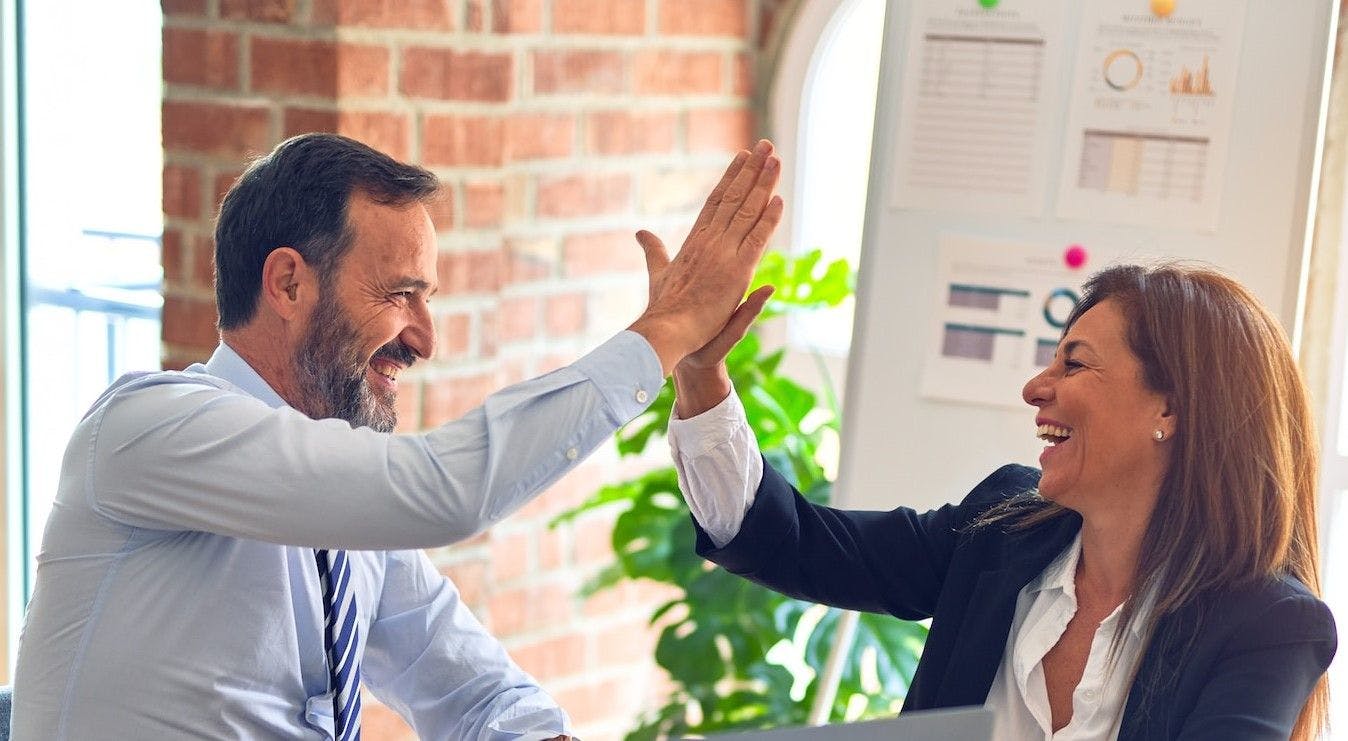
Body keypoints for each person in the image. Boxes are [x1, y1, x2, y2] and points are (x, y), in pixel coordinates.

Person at [12, 133, 783, 739]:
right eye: (399, 295)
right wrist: (665, 331)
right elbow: (439, 492)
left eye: (429, 298)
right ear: (287, 283)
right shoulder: (147, 428)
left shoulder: (346, 522)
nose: (424, 338)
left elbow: (470, 687)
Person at [666, 263, 1336, 740]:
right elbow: (792, 541)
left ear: (1171, 407)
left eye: (1074, 364)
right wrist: (701, 374)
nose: (1035, 388)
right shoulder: (1002, 527)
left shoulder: (1269, 624)